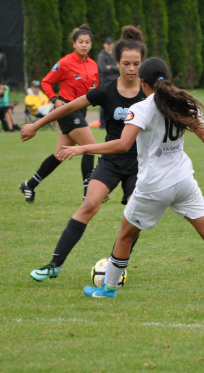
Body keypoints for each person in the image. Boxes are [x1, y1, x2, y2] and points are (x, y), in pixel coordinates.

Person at [56, 57, 204, 299]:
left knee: (125, 235)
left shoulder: (141, 108)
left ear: (143, 83)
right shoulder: (183, 103)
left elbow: (124, 144)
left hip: (154, 185)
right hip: (184, 180)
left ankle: (108, 290)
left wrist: (82, 148)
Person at [22, 26, 147, 282]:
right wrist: (36, 125)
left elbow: (179, 106)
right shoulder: (106, 91)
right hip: (111, 160)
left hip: (141, 164)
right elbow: (70, 107)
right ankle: (54, 264)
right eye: (126, 63)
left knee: (133, 216)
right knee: (89, 204)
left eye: (136, 63)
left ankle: (117, 265)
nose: (132, 69)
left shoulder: (151, 94)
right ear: (117, 62)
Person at [19, 24, 99, 203]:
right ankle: (89, 192)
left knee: (59, 155)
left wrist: (95, 91)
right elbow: (46, 82)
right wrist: (54, 99)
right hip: (67, 110)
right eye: (80, 42)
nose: (84, 45)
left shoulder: (93, 65)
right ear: (73, 44)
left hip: (81, 110)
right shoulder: (64, 62)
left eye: (87, 42)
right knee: (90, 146)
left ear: (91, 44)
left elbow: (95, 87)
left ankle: (29, 184)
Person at [97, 36, 119, 129]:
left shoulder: (115, 55)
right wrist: (113, 69)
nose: (109, 46)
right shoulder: (101, 56)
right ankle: (102, 124)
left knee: (116, 103)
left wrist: (111, 67)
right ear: (104, 45)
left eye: (110, 44)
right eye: (107, 44)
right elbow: (103, 69)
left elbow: (120, 68)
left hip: (115, 82)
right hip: (105, 83)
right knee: (104, 104)